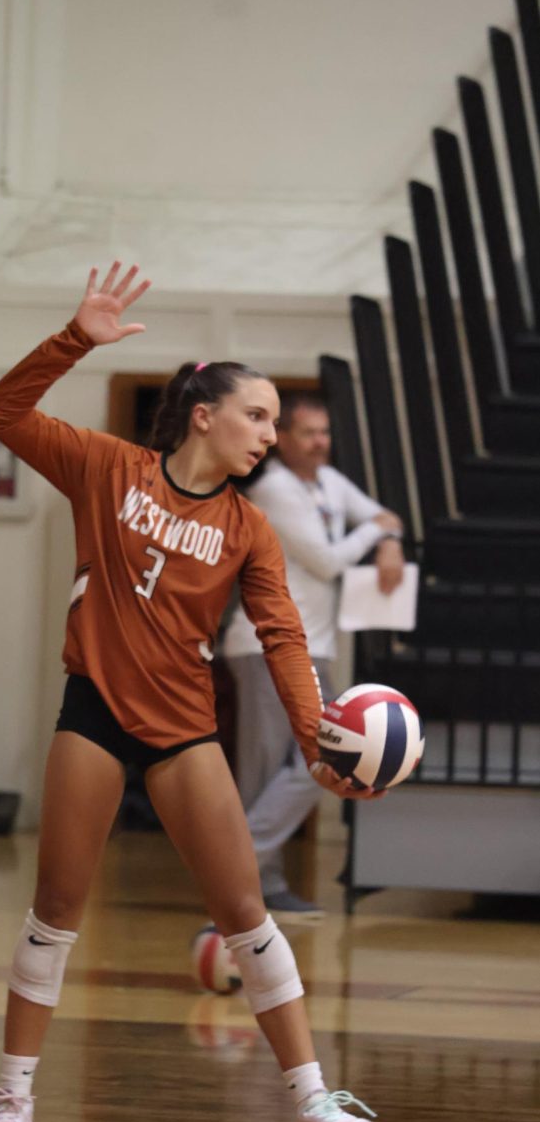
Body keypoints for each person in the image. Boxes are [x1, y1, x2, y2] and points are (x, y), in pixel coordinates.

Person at [0, 262, 384, 1122]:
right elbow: (1, 414)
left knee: (246, 914)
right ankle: (11, 1104)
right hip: (93, 712)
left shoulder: (249, 528)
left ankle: (313, 1105)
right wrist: (75, 337)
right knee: (54, 910)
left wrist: (320, 730)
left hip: (182, 728)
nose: (269, 436)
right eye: (258, 416)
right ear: (206, 414)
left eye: (276, 422)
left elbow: (281, 636)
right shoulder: (106, 467)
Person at [224, 390, 405, 920]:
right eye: (308, 432)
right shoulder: (275, 489)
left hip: (313, 644)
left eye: (325, 432)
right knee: (285, 769)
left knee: (312, 763)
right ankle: (244, 880)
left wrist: (387, 540)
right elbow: (328, 561)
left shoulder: (329, 483)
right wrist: (374, 533)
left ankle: (248, 878)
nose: (320, 441)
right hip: (263, 644)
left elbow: (384, 516)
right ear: (285, 440)